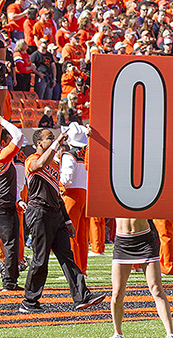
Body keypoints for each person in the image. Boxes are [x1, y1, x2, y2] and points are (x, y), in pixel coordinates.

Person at [20, 128, 105, 313]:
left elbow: (58, 196)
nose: (52, 140)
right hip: (39, 213)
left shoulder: (56, 165)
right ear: (38, 143)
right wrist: (57, 143)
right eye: (48, 138)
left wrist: (67, 221)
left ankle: (81, 297)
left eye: (52, 138)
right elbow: (39, 165)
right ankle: (29, 301)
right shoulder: (32, 159)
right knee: (40, 260)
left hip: (56, 214)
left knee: (67, 257)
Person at [110, 218, 173, 338]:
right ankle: (117, 333)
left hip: (145, 240)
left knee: (156, 288)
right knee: (117, 293)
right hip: (122, 241)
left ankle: (170, 334)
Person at [0, 116, 26, 291]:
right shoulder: (3, 155)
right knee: (10, 244)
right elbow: (19, 136)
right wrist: (2, 121)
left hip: (7, 201)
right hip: (4, 206)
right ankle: (9, 281)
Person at [60, 123, 89, 275]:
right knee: (82, 235)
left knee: (70, 233)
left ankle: (73, 270)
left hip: (71, 195)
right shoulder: (86, 154)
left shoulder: (69, 155)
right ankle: (81, 268)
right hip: (85, 194)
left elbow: (66, 178)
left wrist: (58, 185)